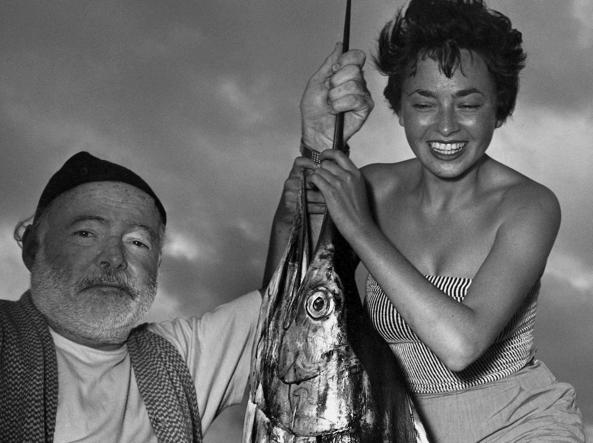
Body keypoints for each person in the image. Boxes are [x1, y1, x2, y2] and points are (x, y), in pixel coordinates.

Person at [0, 46, 370, 440]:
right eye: (86, 233)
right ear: (32, 246)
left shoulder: (176, 357)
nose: (113, 258)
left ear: (157, 265)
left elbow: (291, 315)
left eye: (138, 242)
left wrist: (318, 148)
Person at [270, 0, 586, 441]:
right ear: (399, 108)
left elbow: (462, 345)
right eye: (424, 104)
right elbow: (286, 316)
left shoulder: (529, 205)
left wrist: (359, 227)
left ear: (499, 108)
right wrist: (312, 159)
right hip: (393, 424)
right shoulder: (373, 187)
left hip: (519, 424)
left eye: (468, 104)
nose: (446, 126)